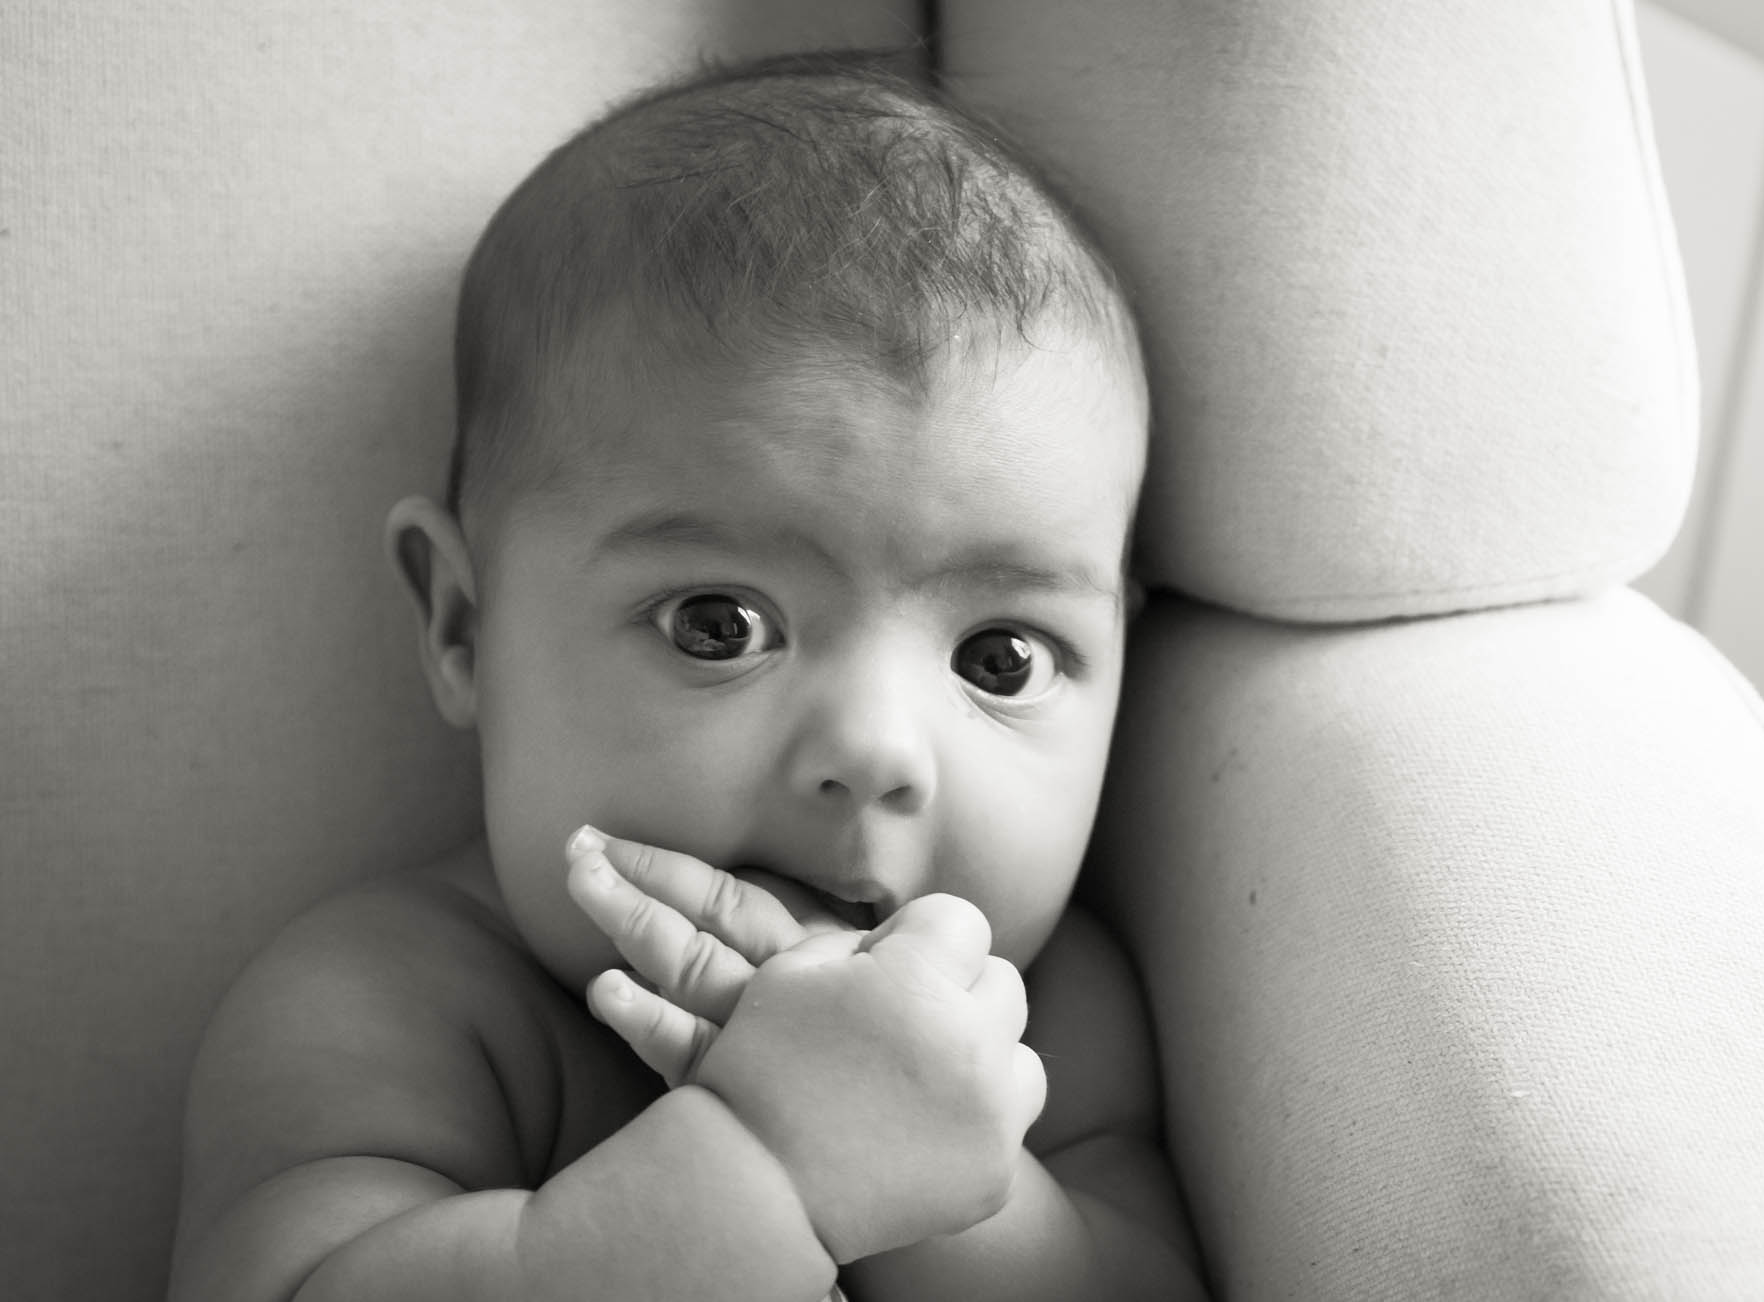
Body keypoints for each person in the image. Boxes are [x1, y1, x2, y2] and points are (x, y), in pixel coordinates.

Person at [168, 49, 1207, 1302]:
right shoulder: (391, 1005)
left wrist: (949, 1192)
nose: (877, 749)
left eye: (1002, 658)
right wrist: (767, 1163)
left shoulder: (1054, 1018)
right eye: (718, 624)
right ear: (463, 628)